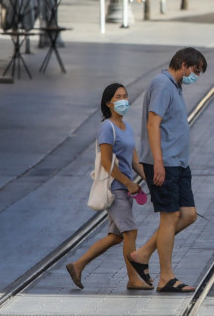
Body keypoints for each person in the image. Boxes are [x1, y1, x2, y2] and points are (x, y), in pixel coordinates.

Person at [127, 48, 208, 293]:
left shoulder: (175, 86)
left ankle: (142, 254)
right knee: (170, 217)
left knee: (188, 214)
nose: (196, 76)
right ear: (184, 64)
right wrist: (158, 163)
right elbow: (153, 124)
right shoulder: (162, 84)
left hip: (179, 163)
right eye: (196, 71)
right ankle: (166, 277)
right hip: (165, 164)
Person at [66, 83, 151, 290]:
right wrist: (128, 183)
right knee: (130, 232)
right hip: (116, 187)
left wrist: (152, 178)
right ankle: (133, 279)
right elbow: (106, 162)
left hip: (125, 188)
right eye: (118, 97)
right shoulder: (107, 127)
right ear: (108, 103)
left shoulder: (127, 127)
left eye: (125, 96)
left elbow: (134, 161)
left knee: (116, 236)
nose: (123, 100)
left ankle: (78, 265)